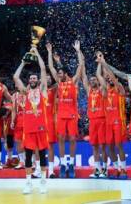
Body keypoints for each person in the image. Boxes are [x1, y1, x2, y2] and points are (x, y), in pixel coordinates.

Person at [13, 46, 49, 194]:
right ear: (29, 81)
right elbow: (15, 77)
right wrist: (23, 62)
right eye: (31, 78)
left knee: (42, 155)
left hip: (41, 128)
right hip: (28, 129)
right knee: (28, 156)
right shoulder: (25, 91)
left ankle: (43, 182)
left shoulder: (42, 91)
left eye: (35, 78)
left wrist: (37, 52)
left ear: (38, 81)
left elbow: (43, 69)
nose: (33, 80)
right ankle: (28, 183)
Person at [46, 41, 83, 178]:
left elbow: (80, 66)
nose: (58, 75)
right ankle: (63, 164)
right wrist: (50, 52)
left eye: (60, 73)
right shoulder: (59, 84)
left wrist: (78, 51)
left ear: (65, 74)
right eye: (58, 74)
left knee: (72, 139)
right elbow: (50, 67)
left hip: (72, 115)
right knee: (61, 138)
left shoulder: (73, 82)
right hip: (61, 115)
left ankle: (71, 164)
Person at [98, 52, 128, 179]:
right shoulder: (105, 91)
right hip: (108, 123)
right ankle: (116, 168)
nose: (109, 79)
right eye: (108, 79)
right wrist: (100, 63)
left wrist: (104, 62)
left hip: (119, 121)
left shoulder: (119, 88)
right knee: (110, 146)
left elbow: (113, 78)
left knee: (118, 145)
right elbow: (99, 77)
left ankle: (124, 169)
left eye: (111, 78)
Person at [81, 53, 107, 178]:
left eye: (94, 80)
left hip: (102, 120)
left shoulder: (102, 90)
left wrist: (99, 63)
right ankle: (97, 169)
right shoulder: (89, 90)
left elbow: (100, 76)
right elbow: (83, 76)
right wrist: (82, 59)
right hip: (92, 122)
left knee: (102, 146)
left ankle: (105, 169)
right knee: (95, 146)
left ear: (98, 81)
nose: (92, 81)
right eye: (91, 80)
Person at [45, 73, 57, 178]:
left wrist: (58, 63)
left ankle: (51, 171)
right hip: (39, 120)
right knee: (37, 146)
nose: (48, 80)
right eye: (46, 78)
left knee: (50, 146)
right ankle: (39, 170)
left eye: (49, 78)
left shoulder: (54, 89)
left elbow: (62, 80)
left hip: (49, 121)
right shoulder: (38, 89)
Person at [11, 90, 26, 169]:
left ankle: (33, 162)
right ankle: (22, 161)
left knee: (30, 141)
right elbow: (13, 110)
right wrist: (12, 121)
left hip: (29, 119)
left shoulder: (30, 92)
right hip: (19, 120)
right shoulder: (15, 95)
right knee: (18, 141)